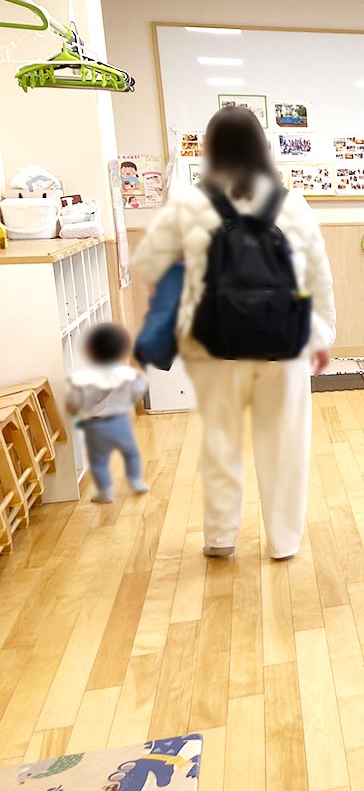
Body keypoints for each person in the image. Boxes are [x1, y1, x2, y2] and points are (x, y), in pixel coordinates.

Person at [132, 107, 336, 560]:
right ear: (263, 147)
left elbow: (156, 271)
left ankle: (220, 538)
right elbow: (319, 276)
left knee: (221, 443)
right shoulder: (291, 202)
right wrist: (324, 336)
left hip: (216, 345)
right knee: (284, 444)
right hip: (284, 344)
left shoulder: (191, 204)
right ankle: (283, 542)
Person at [65, 323, 150, 504]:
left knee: (98, 461)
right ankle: (136, 482)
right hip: (119, 422)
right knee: (131, 453)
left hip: (94, 425)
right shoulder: (126, 373)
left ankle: (105, 492)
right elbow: (140, 387)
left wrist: (74, 410)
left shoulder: (84, 377)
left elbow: (74, 401)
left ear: (89, 351)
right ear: (122, 351)